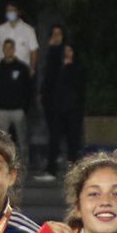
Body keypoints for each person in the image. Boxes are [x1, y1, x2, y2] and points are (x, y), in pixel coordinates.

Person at [43, 43, 86, 176]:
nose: (67, 53)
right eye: (65, 50)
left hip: (73, 110)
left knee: (73, 140)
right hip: (58, 109)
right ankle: (51, 169)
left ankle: (75, 169)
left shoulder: (78, 68)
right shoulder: (57, 67)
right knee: (54, 140)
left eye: (70, 50)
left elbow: (79, 88)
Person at [0, 40, 34, 156]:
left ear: (14, 50)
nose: (8, 50)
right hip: (1, 110)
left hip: (18, 110)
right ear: (3, 50)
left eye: (10, 48)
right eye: (6, 48)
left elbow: (28, 89)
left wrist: (24, 107)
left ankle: (24, 166)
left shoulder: (22, 68)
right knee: (0, 142)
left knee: (22, 141)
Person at [0, 2, 41, 76]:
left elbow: (34, 51)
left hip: (21, 72)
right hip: (2, 70)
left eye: (12, 10)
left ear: (18, 12)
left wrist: (31, 70)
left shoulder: (28, 30)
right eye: (8, 10)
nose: (10, 13)